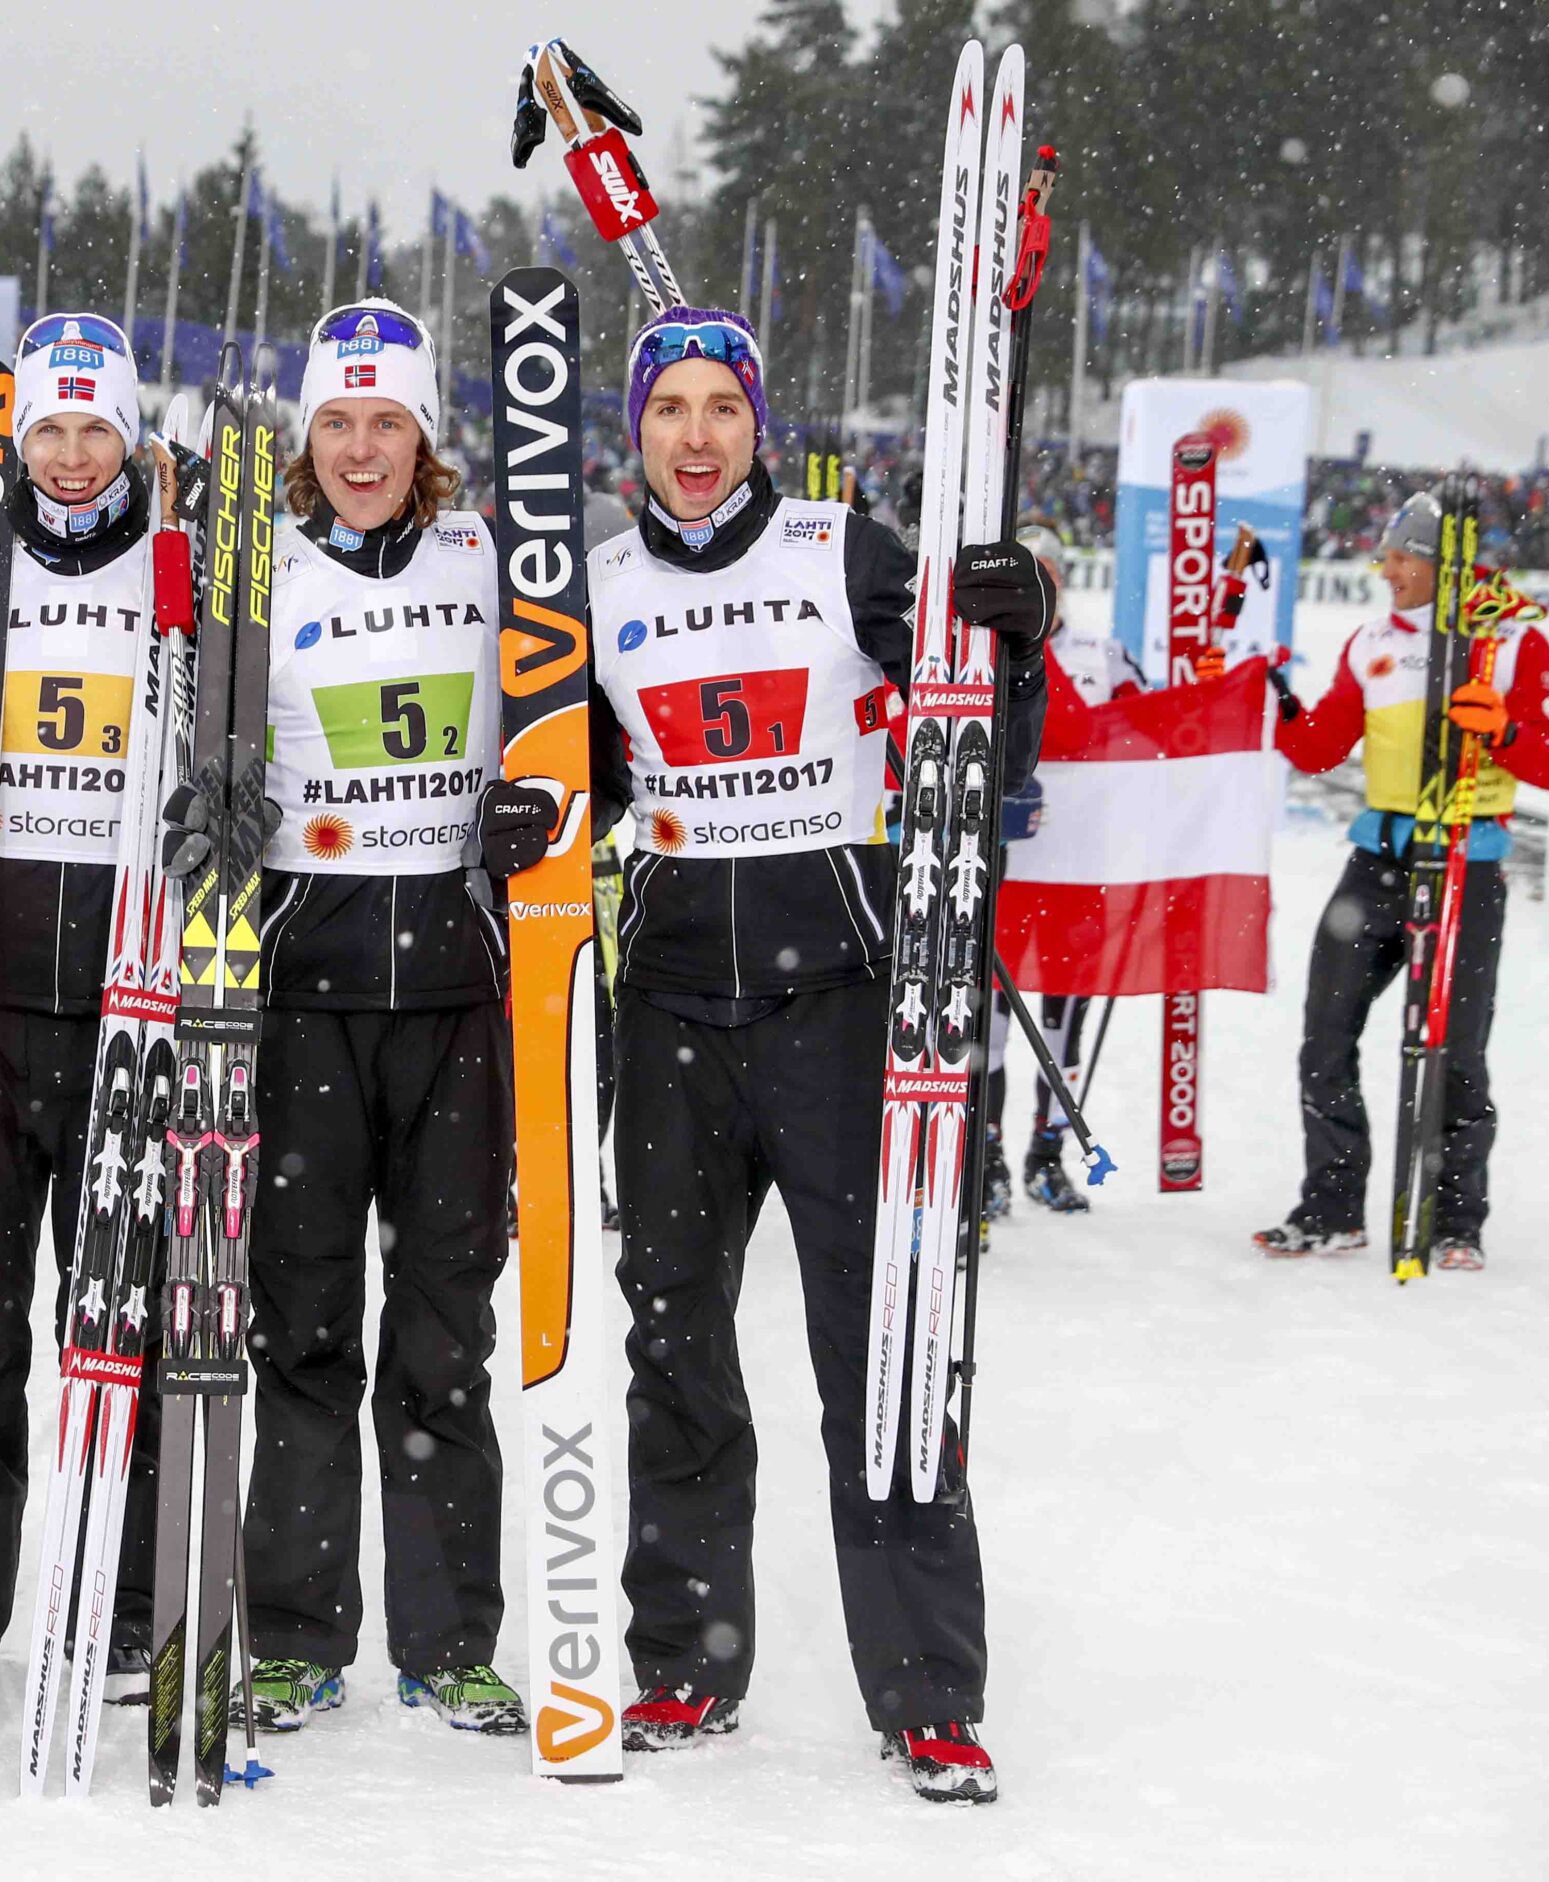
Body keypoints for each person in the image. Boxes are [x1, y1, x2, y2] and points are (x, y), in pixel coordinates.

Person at [576, 306, 1049, 1801]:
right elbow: (563, 781)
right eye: (672, 410)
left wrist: (1017, 621)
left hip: (843, 1009)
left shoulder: (846, 552)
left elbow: (988, 742)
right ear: (633, 430)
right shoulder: (593, 588)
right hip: (666, 1016)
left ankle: (928, 1692)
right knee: (677, 1349)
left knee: (884, 1350)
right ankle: (688, 1660)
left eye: (724, 407)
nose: (698, 436)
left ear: (758, 423)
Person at [172, 299, 526, 1737]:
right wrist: (217, 808)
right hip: (302, 995)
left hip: (456, 994)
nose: (364, 446)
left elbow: (576, 735)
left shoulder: (489, 557)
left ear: (425, 433)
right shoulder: (254, 565)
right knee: (303, 1325)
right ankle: (301, 1631)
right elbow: (197, 763)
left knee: (445, 1332)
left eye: (389, 421)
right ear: (305, 436)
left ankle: (449, 1640)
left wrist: (547, 814)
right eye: (338, 422)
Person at [0, 312, 168, 1700]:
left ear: (130, 435)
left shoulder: (185, 562)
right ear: (18, 439)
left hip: (128, 997)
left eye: (96, 428)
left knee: (123, 1311)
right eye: (50, 429)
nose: (74, 456)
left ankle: (127, 1592)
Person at [1256, 492, 1549, 1267]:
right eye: (1386, 555)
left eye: (1401, 557)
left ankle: (1458, 1220)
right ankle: (1333, 1206)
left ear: (1441, 564)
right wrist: (1270, 699)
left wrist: (1500, 728)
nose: (1385, 569)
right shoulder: (1372, 640)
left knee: (1455, 1052)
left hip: (1468, 861)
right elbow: (1324, 747)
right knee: (1326, 1035)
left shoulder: (1512, 643)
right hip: (1379, 861)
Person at [983, 522, 1144, 1217]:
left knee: (1060, 1028)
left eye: (1048, 573)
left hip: (1077, 875)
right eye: (1028, 574)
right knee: (986, 1023)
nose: (1040, 585)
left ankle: (1045, 1156)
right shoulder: (982, 650)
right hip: (1007, 870)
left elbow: (1143, 737)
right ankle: (983, 1158)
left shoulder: (1103, 656)